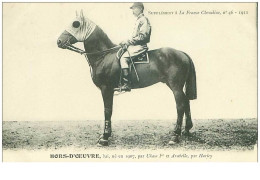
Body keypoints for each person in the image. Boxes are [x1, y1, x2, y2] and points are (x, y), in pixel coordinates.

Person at [118, 2, 152, 92]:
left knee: (123, 58)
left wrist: (128, 41)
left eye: (134, 8)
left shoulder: (144, 20)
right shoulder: (139, 20)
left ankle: (126, 84)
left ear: (140, 9)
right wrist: (126, 42)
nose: (133, 10)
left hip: (140, 46)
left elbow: (142, 36)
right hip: (134, 45)